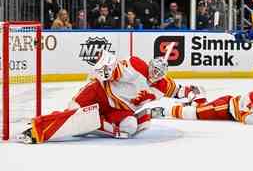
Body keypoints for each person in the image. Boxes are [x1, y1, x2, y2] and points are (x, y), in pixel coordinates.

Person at [18, 50, 202, 144]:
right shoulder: (137, 65)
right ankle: (37, 128)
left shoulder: (163, 84)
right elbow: (112, 69)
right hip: (100, 93)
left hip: (116, 109)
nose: (154, 75)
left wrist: (194, 93)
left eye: (158, 74)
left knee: (129, 127)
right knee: (73, 112)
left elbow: (180, 91)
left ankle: (97, 124)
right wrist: (106, 67)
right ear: (150, 64)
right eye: (153, 70)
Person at [154, 80, 253, 125]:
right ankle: (164, 111)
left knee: (198, 108)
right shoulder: (252, 97)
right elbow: (245, 118)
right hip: (224, 107)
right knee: (194, 113)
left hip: (228, 111)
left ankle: (198, 95)